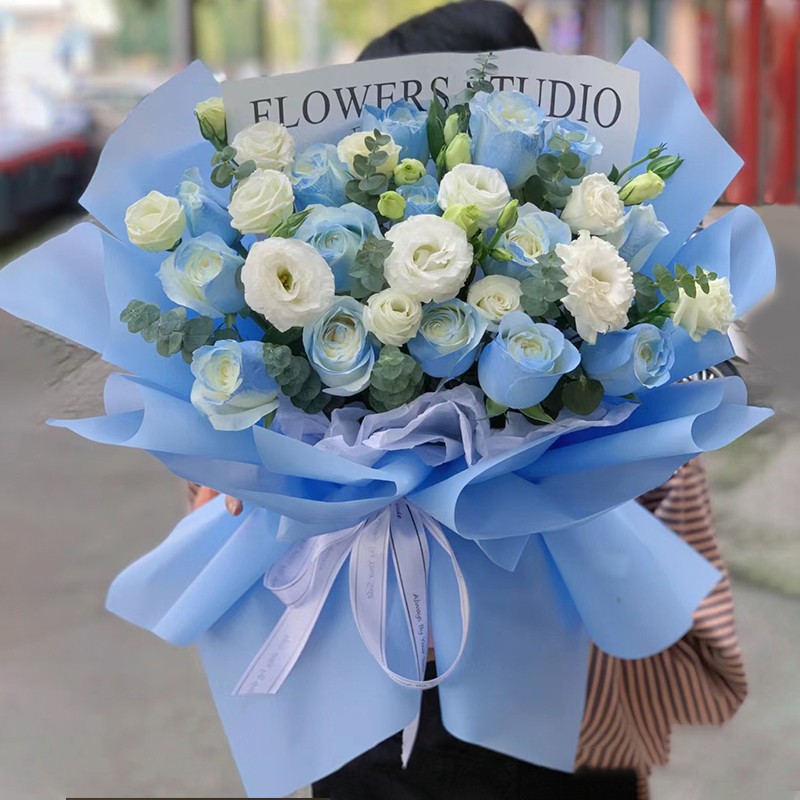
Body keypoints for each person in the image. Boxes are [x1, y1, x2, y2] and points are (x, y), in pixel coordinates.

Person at [192, 3, 748, 797]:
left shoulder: (625, 308)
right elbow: (230, 492)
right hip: (378, 720)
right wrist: (237, 485)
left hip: (556, 719)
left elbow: (664, 511)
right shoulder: (308, 307)